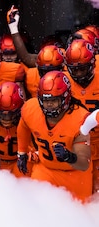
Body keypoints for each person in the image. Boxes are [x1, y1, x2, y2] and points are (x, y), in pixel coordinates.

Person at [16, 70, 92, 202]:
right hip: (46, 169)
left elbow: (84, 163)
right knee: (35, 208)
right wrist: (21, 152)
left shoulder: (80, 119)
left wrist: (70, 157)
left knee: (79, 216)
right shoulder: (31, 109)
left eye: (54, 100)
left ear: (66, 98)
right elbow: (23, 126)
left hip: (74, 174)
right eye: (46, 101)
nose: (49, 105)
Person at [0, 82, 37, 177]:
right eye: (2, 114)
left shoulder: (29, 114)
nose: (6, 119)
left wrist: (33, 154)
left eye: (11, 114)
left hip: (19, 160)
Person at [65, 38, 99, 194]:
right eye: (74, 69)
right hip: (77, 145)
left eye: (82, 69)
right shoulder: (62, 81)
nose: (78, 74)